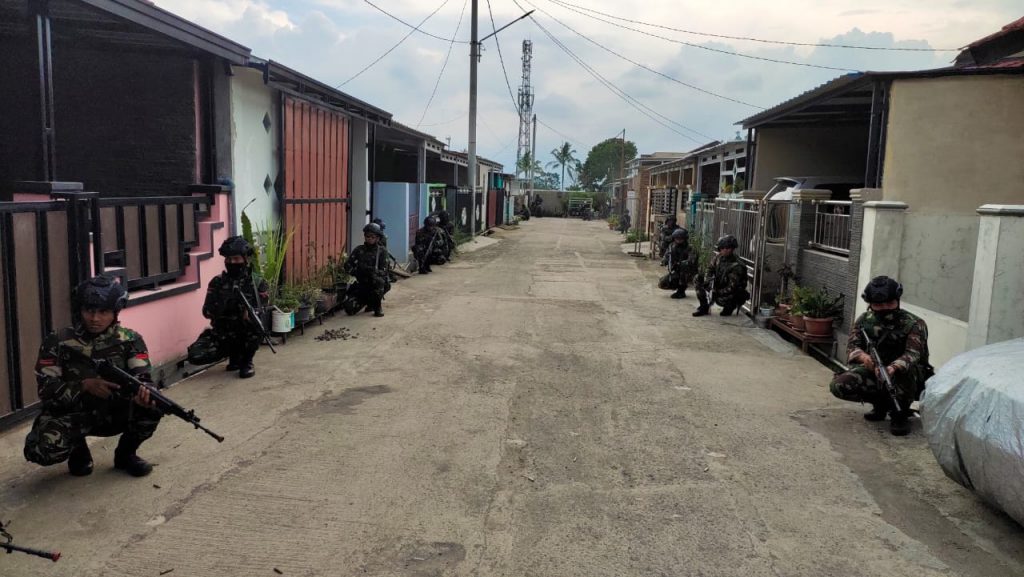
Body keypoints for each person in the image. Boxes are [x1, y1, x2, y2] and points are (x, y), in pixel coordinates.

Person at [24, 276, 162, 477]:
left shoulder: (130, 340)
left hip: (115, 410)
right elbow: (46, 389)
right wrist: (84, 386)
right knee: (43, 450)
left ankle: (126, 455)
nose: (95, 318)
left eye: (103, 312)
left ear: (115, 313)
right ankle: (78, 450)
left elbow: (142, 377)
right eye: (89, 310)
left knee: (153, 407)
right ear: (80, 310)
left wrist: (143, 395)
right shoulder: (58, 341)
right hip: (73, 413)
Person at [829, 276, 931, 436]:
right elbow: (852, 347)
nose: (884, 308)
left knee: (904, 374)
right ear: (870, 305)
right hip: (874, 368)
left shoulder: (914, 323)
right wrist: (865, 359)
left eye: (889, 304)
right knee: (839, 385)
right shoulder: (864, 321)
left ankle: (900, 413)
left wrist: (893, 367)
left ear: (897, 300)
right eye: (878, 305)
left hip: (907, 375)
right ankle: (881, 405)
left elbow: (913, 354)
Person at [202, 236, 269, 379]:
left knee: (256, 326)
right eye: (228, 259)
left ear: (246, 259)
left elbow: (262, 308)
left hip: (245, 329)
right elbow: (206, 312)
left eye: (236, 259)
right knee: (197, 355)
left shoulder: (257, 283)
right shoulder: (217, 283)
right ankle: (233, 357)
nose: (232, 263)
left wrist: (249, 312)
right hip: (223, 329)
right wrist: (222, 303)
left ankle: (247, 362)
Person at [693, 234, 749, 317]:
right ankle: (704, 306)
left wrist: (717, 292)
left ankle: (730, 306)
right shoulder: (718, 258)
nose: (724, 250)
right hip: (718, 285)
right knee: (697, 278)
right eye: (722, 248)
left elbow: (732, 287)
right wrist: (708, 280)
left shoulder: (737, 265)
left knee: (722, 301)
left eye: (727, 248)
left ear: (733, 249)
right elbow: (710, 269)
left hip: (731, 293)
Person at [343, 223, 391, 317]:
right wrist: (356, 272)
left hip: (374, 284)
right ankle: (368, 302)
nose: (369, 238)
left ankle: (377, 306)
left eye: (372, 236)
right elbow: (347, 265)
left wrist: (372, 272)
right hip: (361, 284)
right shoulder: (359, 250)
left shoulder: (381, 251)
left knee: (379, 282)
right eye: (367, 236)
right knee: (349, 309)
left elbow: (384, 271)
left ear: (377, 238)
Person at [664, 228, 691, 299]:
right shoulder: (672, 246)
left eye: (680, 238)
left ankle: (681, 291)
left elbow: (691, 260)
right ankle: (676, 286)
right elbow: (667, 255)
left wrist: (681, 263)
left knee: (683, 270)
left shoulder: (689, 248)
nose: (678, 240)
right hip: (675, 269)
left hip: (687, 270)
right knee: (663, 283)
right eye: (676, 238)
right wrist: (665, 261)